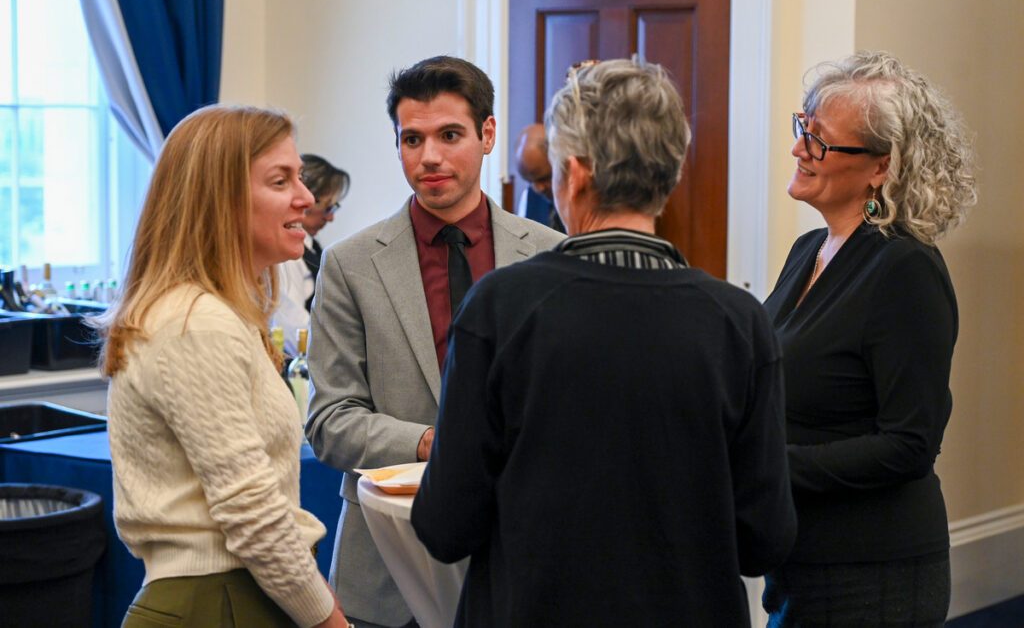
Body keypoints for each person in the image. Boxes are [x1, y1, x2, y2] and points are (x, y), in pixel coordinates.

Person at [410, 57, 797, 627]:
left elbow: (446, 525)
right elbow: (765, 540)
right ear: (670, 172)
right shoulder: (738, 322)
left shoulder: (500, 307)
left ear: (575, 175)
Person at [305, 55, 564, 628]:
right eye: (412, 139)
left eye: (449, 135)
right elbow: (329, 422)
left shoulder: (551, 254)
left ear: (487, 134)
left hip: (524, 557)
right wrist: (433, 442)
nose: (429, 157)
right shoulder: (350, 265)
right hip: (389, 567)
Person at [95, 105, 351, 628]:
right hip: (217, 602)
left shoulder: (215, 315)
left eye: (300, 178)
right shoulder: (196, 323)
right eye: (281, 181)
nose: (306, 198)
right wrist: (330, 621)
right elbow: (253, 513)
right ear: (219, 199)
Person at [761, 50, 978, 626]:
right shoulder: (809, 250)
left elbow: (909, 443)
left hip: (873, 574)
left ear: (881, 167)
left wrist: (766, 465)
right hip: (801, 559)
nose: (799, 149)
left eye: (820, 141)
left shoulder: (905, 268)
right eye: (802, 128)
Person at [272, 153, 351, 356]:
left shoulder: (313, 247)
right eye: (328, 208)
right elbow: (290, 325)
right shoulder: (286, 256)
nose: (331, 218)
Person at [513, 122, 566, 232]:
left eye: (544, 178)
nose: (538, 189)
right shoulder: (528, 198)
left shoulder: (581, 197)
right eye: (530, 181)